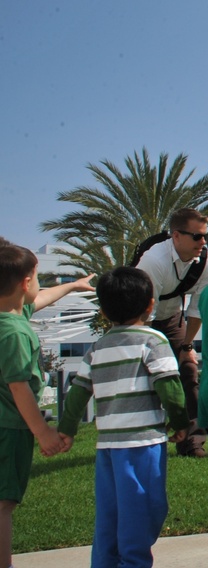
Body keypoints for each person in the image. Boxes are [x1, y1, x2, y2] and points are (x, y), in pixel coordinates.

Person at [57, 267, 189, 568]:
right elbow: (170, 386)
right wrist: (181, 423)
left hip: (108, 447)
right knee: (144, 511)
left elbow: (78, 391)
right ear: (150, 305)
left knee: (111, 514)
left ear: (103, 312)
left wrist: (67, 428)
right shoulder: (153, 340)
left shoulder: (97, 348)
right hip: (143, 444)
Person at [0, 243, 93, 568]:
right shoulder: (13, 333)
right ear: (26, 282)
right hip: (9, 429)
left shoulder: (9, 314)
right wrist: (42, 431)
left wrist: (72, 285)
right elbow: (19, 385)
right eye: (38, 276)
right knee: (3, 505)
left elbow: (39, 300)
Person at [135, 207, 208, 458]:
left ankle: (192, 442)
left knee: (189, 371)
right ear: (176, 236)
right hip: (139, 319)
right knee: (144, 376)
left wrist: (186, 347)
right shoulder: (154, 262)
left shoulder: (205, 261)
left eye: (205, 235)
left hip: (171, 317)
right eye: (197, 236)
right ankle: (141, 437)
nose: (203, 242)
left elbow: (196, 309)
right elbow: (143, 317)